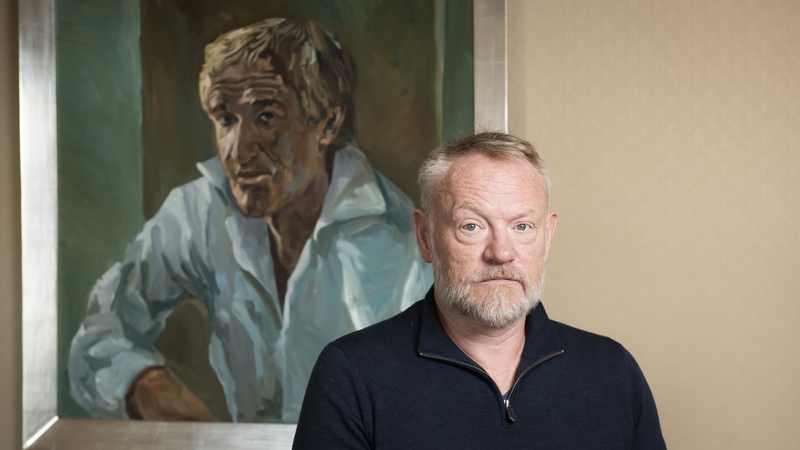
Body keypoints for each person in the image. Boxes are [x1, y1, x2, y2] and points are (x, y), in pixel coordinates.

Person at [68, 18, 432, 423]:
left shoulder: (400, 243)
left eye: (266, 116)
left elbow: (434, 398)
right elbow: (99, 333)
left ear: (328, 122)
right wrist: (148, 388)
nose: (238, 149)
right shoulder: (202, 208)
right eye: (225, 118)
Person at [293, 132, 667, 449]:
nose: (501, 252)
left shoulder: (613, 372)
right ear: (426, 237)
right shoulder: (350, 375)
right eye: (471, 226)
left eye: (522, 227)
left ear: (548, 237)